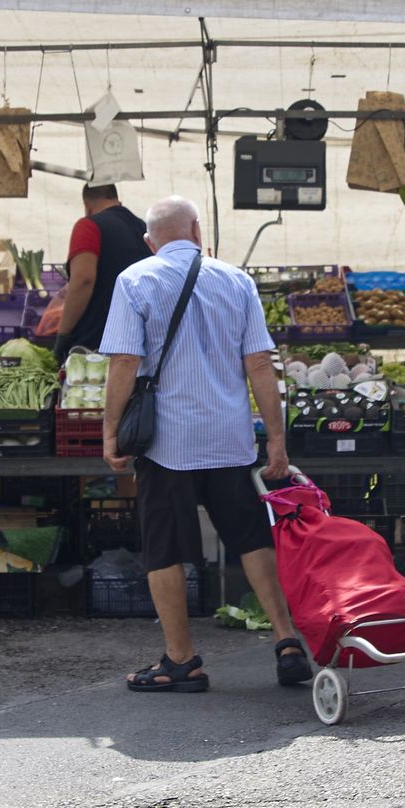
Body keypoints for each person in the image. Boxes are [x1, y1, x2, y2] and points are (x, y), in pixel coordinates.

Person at [98, 195, 312, 693]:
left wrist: (109, 432)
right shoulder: (236, 281)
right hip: (229, 438)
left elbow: (124, 363)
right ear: (197, 231)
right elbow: (260, 365)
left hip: (165, 443)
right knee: (251, 539)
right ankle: (286, 640)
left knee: (164, 548)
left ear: (149, 242)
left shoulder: (135, 280)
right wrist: (276, 441)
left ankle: (181, 660)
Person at [53, 184, 151, 361]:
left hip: (97, 344)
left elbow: (83, 280)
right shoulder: (143, 227)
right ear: (116, 198)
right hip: (139, 340)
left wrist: (64, 334)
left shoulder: (88, 226)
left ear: (87, 205)